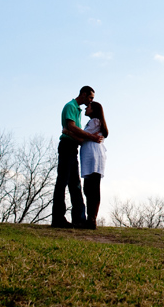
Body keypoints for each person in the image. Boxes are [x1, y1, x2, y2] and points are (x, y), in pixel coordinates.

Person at [52, 86, 103, 228]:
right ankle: (58, 218)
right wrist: (91, 137)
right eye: (91, 98)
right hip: (67, 146)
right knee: (62, 181)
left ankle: (79, 219)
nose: (91, 101)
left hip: (73, 146)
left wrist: (85, 138)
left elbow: (75, 133)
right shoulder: (70, 106)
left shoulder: (78, 110)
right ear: (84, 94)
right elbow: (72, 127)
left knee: (75, 184)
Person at [79, 100, 108, 230]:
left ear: (94, 110)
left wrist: (68, 132)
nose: (86, 108)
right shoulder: (94, 122)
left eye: (88, 107)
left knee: (92, 189)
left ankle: (91, 220)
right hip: (92, 158)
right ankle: (90, 218)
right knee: (89, 188)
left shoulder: (95, 121)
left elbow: (81, 136)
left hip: (94, 158)